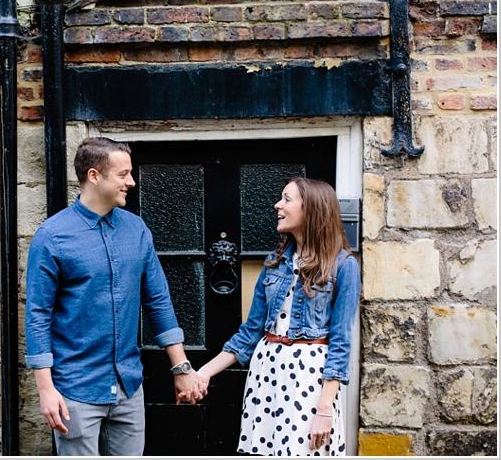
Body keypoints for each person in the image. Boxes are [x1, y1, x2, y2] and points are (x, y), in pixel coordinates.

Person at [25, 137, 208, 456]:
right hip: (76, 389)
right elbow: (38, 316)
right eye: (123, 174)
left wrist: (181, 369)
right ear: (94, 175)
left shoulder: (136, 230)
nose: (132, 182)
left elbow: (158, 301)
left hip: (128, 388)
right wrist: (45, 390)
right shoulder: (52, 237)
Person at [196, 177, 360, 457]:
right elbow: (249, 334)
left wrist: (324, 409)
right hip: (267, 372)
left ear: (312, 209)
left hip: (310, 379)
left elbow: (341, 343)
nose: (277, 205)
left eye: (287, 199)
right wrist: (202, 374)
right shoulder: (275, 262)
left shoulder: (344, 266)